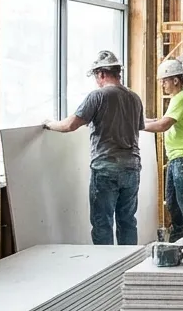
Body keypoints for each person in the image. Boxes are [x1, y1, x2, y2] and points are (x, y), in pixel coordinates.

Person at [43, 50, 145, 246]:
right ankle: (129, 265)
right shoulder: (134, 98)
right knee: (127, 221)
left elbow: (69, 125)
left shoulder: (98, 96)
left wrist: (48, 124)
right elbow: (140, 126)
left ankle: (104, 267)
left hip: (106, 167)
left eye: (96, 77)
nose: (96, 81)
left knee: (102, 223)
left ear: (101, 74)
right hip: (132, 168)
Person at [144, 58, 183, 241]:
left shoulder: (182, 98)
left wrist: (134, 126)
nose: (162, 85)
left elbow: (163, 125)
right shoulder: (178, 98)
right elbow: (161, 121)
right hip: (178, 158)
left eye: (164, 80)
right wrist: (141, 122)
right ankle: (179, 239)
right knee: (173, 202)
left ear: (175, 80)